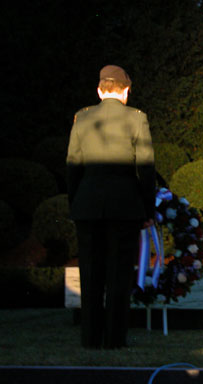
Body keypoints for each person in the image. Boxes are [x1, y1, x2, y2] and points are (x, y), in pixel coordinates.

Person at [66, 65, 155, 349]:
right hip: (125, 207)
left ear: (99, 90)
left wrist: (75, 204)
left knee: (90, 273)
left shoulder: (82, 118)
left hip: (88, 206)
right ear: (126, 90)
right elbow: (146, 168)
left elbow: (73, 167)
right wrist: (148, 210)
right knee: (118, 275)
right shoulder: (136, 119)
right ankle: (115, 338)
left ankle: (90, 338)